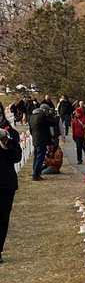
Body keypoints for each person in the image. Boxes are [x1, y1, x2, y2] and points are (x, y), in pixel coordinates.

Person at [0, 103, 22, 262]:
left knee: (2, 218)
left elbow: (17, 157)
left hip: (5, 182)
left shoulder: (10, 133)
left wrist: (6, 145)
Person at [28, 101, 59, 181]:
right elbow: (52, 123)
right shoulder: (42, 116)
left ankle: (34, 172)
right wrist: (53, 116)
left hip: (35, 138)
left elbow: (30, 130)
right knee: (40, 157)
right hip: (42, 139)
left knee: (36, 156)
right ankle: (36, 174)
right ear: (45, 110)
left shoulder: (32, 117)